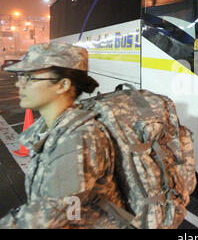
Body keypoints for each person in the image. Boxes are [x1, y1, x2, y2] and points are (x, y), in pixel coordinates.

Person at [0, 42, 125, 229]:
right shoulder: (57, 126)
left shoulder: (76, 140)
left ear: (62, 85)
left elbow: (59, 214)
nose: (19, 83)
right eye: (21, 76)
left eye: (30, 78)